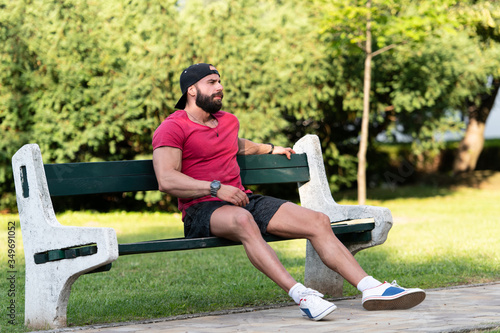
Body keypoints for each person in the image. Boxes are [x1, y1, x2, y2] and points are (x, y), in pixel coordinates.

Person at [152, 63, 426, 321]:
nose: (219, 87)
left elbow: (235, 144)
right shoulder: (173, 127)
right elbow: (166, 179)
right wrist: (215, 188)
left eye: (220, 81)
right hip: (201, 210)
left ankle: (371, 287)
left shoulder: (227, 121)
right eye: (212, 82)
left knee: (317, 220)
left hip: (241, 199)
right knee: (243, 221)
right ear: (191, 90)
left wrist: (270, 148)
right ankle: (303, 296)